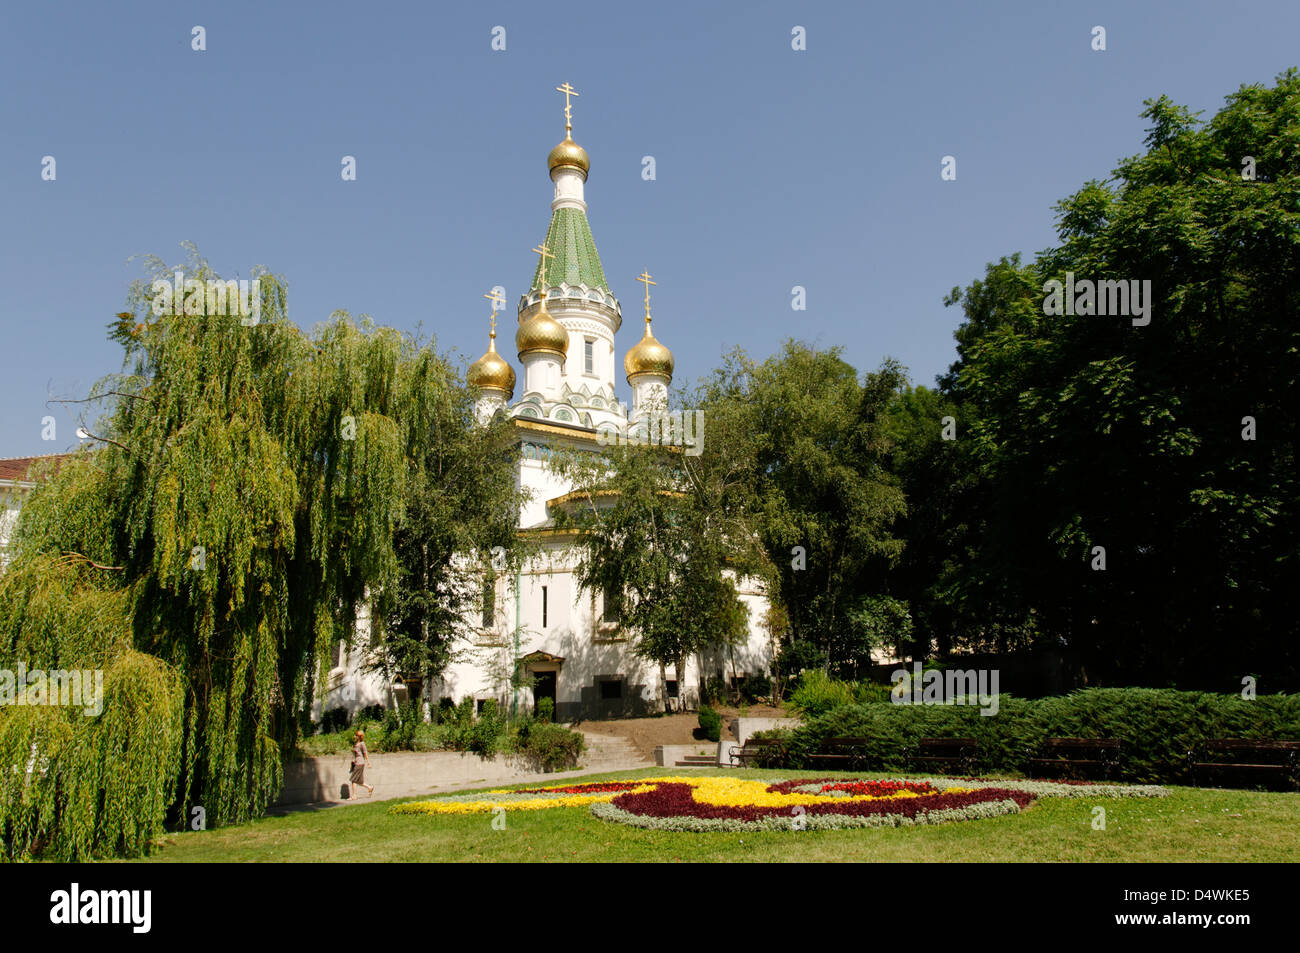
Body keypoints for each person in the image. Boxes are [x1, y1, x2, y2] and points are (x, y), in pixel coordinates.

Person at [350, 729, 374, 797]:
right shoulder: (355, 744)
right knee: (359, 781)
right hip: (356, 763)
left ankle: (354, 796)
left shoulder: (362, 744)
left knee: (353, 780)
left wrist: (368, 762)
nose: (355, 736)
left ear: (359, 736)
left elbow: (365, 753)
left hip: (360, 763)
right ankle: (369, 787)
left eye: (356, 735)